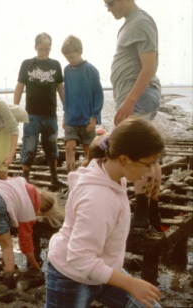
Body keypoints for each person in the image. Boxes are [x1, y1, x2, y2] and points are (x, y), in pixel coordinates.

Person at [45, 117, 164, 308]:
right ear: (124, 159)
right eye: (148, 164)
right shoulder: (97, 198)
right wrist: (131, 283)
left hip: (101, 269)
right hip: (71, 276)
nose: (151, 171)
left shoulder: (111, 173)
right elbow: (80, 258)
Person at [106, 0, 163, 230]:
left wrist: (130, 100)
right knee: (148, 153)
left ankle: (141, 215)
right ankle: (150, 212)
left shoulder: (140, 21)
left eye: (110, 2)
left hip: (138, 97)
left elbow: (150, 66)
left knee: (136, 151)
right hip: (133, 97)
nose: (108, 8)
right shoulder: (130, 24)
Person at [0, 176, 65, 289]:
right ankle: (8, 283)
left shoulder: (21, 182)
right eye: (39, 215)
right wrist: (35, 266)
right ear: (41, 209)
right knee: (7, 245)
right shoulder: (28, 211)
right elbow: (26, 244)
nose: (37, 216)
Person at [14, 32, 67, 187]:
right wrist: (15, 108)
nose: (44, 51)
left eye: (47, 48)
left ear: (50, 47)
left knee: (51, 146)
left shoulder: (56, 64)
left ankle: (54, 177)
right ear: (35, 47)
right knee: (29, 146)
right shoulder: (27, 64)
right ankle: (25, 178)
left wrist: (66, 108)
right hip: (31, 115)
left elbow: (60, 88)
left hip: (50, 114)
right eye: (41, 48)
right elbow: (19, 87)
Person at [60, 35, 104, 173]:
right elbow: (67, 94)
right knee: (69, 147)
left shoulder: (90, 69)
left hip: (87, 119)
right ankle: (70, 176)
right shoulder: (66, 70)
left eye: (72, 57)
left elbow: (98, 94)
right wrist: (65, 115)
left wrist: (94, 116)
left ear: (80, 51)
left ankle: (91, 176)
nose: (69, 60)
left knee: (88, 151)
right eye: (67, 58)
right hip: (71, 118)